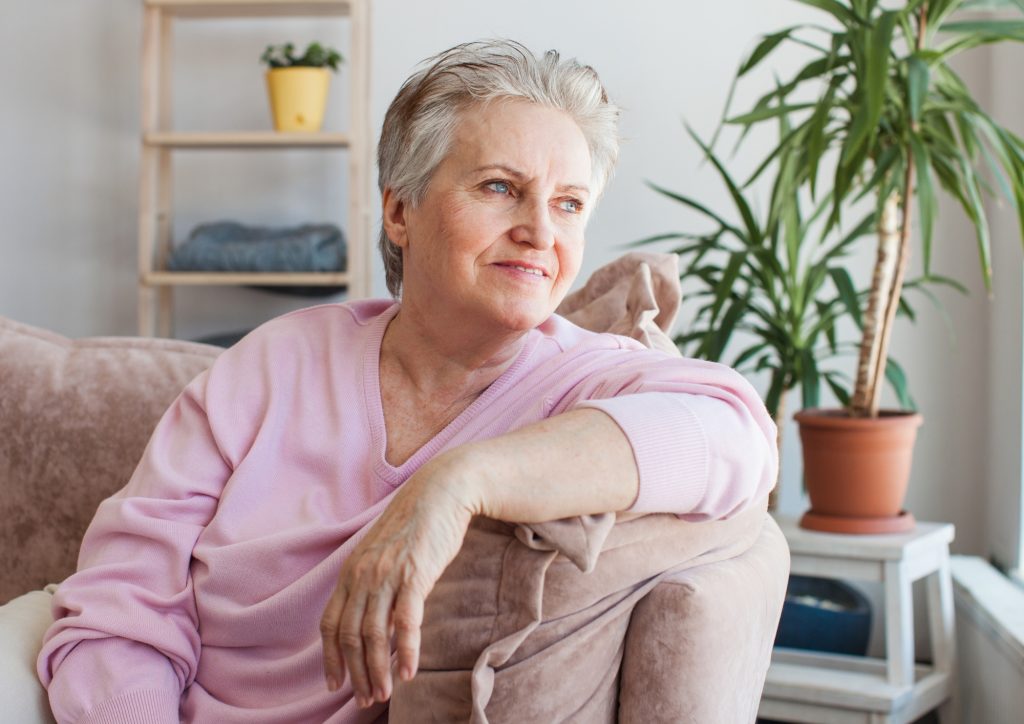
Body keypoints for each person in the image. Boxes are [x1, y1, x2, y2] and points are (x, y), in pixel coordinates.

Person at [37, 39, 778, 723]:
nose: (541, 232)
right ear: (399, 210)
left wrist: (458, 482)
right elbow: (118, 609)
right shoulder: (273, 364)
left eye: (569, 204)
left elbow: (740, 438)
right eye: (498, 186)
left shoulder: (586, 379)